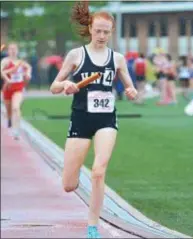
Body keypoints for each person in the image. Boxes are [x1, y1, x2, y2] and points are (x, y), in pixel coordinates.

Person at [49, 2, 137, 238]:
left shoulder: (117, 59)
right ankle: (74, 174)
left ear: (111, 32)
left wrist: (131, 91)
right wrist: (66, 84)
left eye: (106, 32)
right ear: (90, 29)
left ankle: (92, 226)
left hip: (106, 120)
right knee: (68, 185)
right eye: (97, 30)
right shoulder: (76, 55)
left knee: (99, 171)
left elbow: (130, 86)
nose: (101, 35)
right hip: (80, 119)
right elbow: (54, 86)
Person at [1, 42, 32, 139]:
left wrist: (28, 74)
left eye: (15, 49)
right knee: (9, 111)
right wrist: (8, 78)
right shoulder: (5, 61)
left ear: (17, 51)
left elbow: (29, 68)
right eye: (11, 49)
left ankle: (16, 130)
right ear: (8, 51)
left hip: (18, 89)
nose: (13, 51)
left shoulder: (21, 62)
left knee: (16, 107)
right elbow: (1, 71)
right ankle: (10, 119)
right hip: (7, 89)